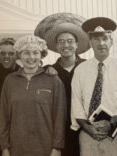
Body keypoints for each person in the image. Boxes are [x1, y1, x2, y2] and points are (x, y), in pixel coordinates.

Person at [71, 17, 117, 156]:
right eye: (96, 39)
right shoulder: (80, 69)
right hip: (89, 134)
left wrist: (110, 124)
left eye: (105, 38)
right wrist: (88, 128)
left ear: (111, 41)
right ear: (90, 42)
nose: (101, 43)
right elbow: (76, 103)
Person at [0, 35, 67, 156]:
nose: (31, 57)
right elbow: (4, 116)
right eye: (26, 52)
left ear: (42, 55)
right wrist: (4, 147)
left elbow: (60, 117)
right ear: (19, 55)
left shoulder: (53, 80)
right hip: (16, 148)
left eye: (35, 52)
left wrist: (57, 147)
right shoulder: (10, 80)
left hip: (45, 148)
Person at [35, 16, 90, 156]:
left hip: (86, 127)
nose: (66, 45)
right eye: (61, 42)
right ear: (56, 46)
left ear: (77, 44)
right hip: (60, 129)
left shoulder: (88, 67)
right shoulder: (49, 71)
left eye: (70, 41)